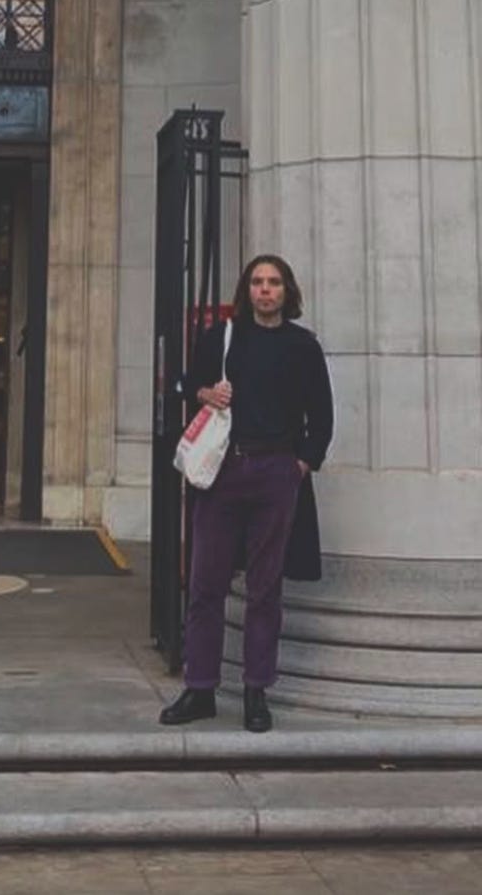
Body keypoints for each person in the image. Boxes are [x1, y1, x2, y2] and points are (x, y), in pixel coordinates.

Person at [159, 254, 334, 733]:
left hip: (276, 470)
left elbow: (322, 416)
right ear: (247, 290)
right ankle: (200, 688)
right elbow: (188, 384)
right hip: (223, 469)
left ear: (287, 290)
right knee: (205, 583)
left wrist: (299, 466)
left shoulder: (303, 347)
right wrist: (205, 394)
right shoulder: (222, 337)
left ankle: (257, 690)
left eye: (274, 282)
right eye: (257, 282)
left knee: (264, 588)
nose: (265, 290)